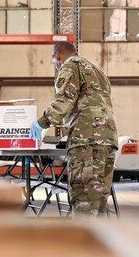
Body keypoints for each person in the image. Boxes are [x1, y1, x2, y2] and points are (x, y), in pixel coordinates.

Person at [30, 41, 118, 217]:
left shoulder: (70, 67)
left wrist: (41, 123)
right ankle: (97, 242)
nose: (55, 64)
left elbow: (64, 101)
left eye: (54, 60)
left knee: (84, 199)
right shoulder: (96, 70)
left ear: (57, 56)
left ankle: (83, 242)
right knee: (99, 200)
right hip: (107, 139)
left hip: (87, 141)